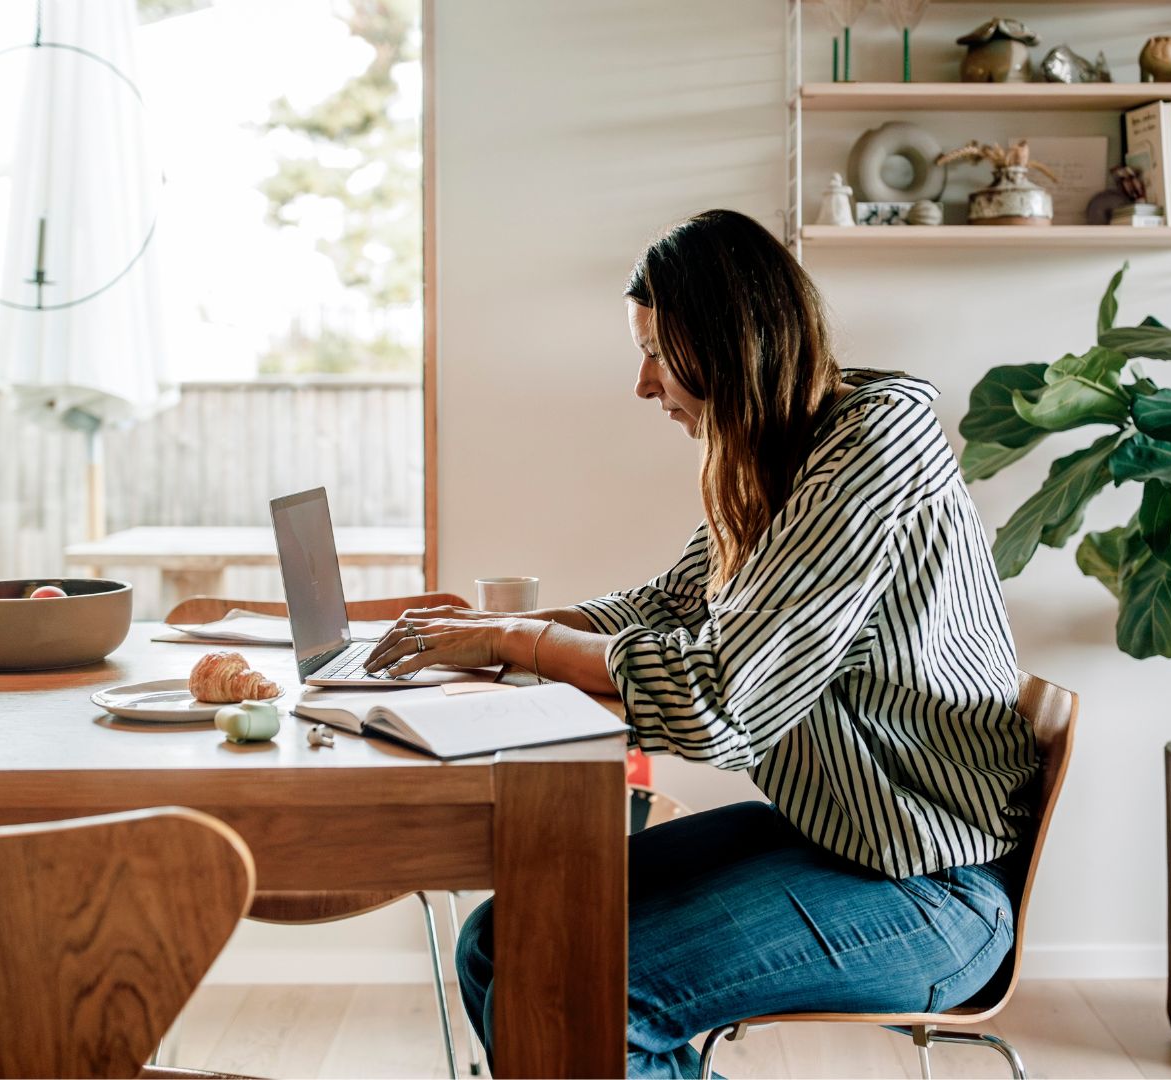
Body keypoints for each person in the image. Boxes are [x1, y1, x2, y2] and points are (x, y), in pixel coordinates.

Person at [362, 208, 1037, 1078]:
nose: (644, 385)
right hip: (831, 837)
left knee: (588, 988)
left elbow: (721, 701)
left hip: (931, 886)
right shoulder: (778, 452)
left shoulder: (875, 441)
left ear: (730, 344)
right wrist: (485, 638)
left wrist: (521, 640)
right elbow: (669, 605)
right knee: (500, 941)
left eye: (655, 351)